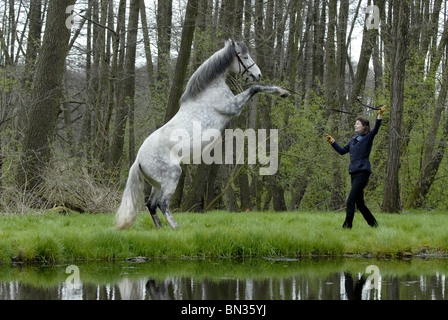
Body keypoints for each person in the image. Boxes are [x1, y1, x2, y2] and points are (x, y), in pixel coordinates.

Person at [326, 105, 387, 229]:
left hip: (363, 172)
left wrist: (380, 114)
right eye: (355, 123)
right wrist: (333, 142)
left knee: (350, 200)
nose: (355, 125)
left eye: (357, 124)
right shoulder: (354, 140)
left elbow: (376, 129)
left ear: (364, 126)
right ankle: (374, 225)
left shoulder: (368, 137)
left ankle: (347, 227)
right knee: (360, 203)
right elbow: (342, 151)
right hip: (353, 173)